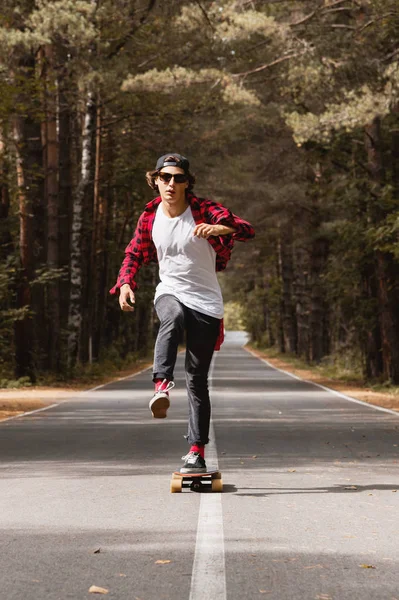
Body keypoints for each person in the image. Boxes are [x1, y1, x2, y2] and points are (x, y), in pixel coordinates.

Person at [110, 153, 254, 473]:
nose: (171, 184)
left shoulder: (203, 210)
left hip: (206, 302)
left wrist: (220, 228)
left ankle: (196, 451)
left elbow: (246, 230)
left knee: (197, 380)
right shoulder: (150, 217)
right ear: (156, 181)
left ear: (188, 183)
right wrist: (124, 284)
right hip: (170, 290)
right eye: (165, 177)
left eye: (178, 178)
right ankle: (161, 385)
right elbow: (133, 253)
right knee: (170, 316)